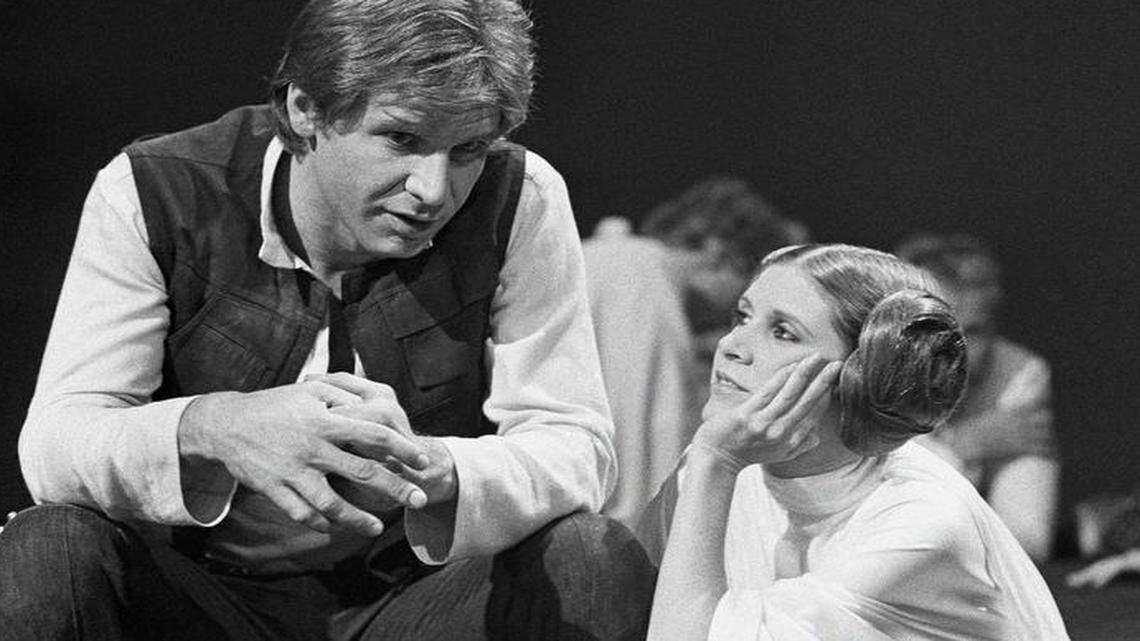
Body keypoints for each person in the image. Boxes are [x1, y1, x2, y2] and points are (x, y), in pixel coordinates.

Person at [0, 1, 655, 639]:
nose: (433, 188)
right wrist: (219, 425)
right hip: (199, 596)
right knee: (47, 544)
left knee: (591, 557)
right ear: (304, 108)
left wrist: (439, 469)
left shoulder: (522, 198)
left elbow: (577, 448)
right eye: (401, 137)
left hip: (415, 597)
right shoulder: (155, 191)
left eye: (468, 149)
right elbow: (54, 447)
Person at [641, 244, 1070, 640]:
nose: (731, 345)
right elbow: (629, 601)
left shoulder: (921, 519)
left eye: (783, 332)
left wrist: (714, 462)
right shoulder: (721, 471)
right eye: (743, 316)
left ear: (860, 373)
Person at [583, 178, 807, 527]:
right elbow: (639, 467)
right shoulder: (642, 284)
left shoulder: (613, 259)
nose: (741, 321)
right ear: (720, 253)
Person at [895, 233, 1060, 562]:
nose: (957, 352)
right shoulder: (856, 375)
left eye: (974, 331)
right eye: (935, 330)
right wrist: (962, 445)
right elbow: (874, 532)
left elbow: (1027, 543)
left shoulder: (1020, 373)